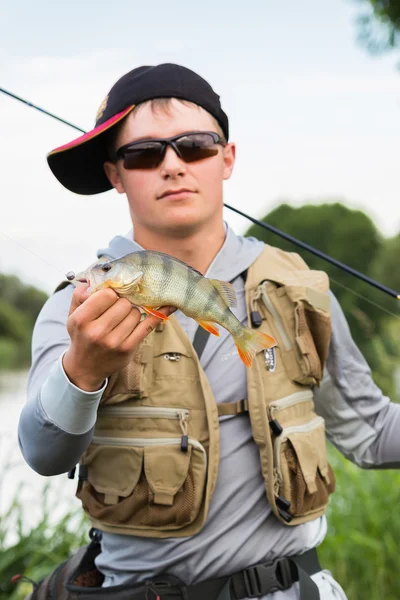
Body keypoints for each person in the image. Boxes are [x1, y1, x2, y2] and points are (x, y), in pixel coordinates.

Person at [18, 63, 400, 600]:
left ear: (227, 159)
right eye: (144, 154)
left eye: (194, 146)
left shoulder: (300, 291)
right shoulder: (76, 307)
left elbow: (372, 432)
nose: (172, 165)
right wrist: (82, 371)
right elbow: (43, 454)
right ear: (115, 175)